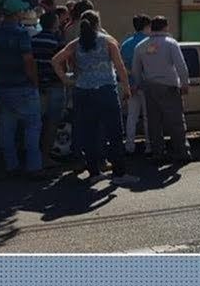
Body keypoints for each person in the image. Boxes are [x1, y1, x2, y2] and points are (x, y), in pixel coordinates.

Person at [52, 10, 137, 185]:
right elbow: (120, 67)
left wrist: (66, 79)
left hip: (83, 92)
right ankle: (119, 173)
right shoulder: (108, 42)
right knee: (114, 132)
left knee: (89, 133)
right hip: (106, 90)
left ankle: (94, 172)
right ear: (98, 23)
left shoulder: (76, 44)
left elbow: (55, 60)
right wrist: (127, 88)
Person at [0, 0, 45, 178]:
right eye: (22, 11)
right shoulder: (21, 34)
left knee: (7, 128)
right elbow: (28, 61)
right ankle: (33, 167)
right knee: (32, 126)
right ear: (17, 13)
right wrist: (34, 82)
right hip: (22, 86)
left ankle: (11, 166)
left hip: (1, 86)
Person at [132, 15, 191, 161]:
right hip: (169, 87)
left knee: (154, 122)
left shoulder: (141, 46)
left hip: (150, 87)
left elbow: (135, 69)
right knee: (176, 121)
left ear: (151, 28)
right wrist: (185, 83)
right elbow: (181, 65)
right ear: (166, 27)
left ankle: (157, 153)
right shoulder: (171, 43)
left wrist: (139, 84)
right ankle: (182, 152)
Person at [31, 11, 67, 165]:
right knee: (52, 123)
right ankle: (45, 156)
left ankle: (34, 155)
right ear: (54, 23)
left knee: (35, 123)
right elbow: (63, 64)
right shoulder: (57, 41)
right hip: (54, 85)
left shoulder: (32, 40)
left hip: (37, 86)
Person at [119, 15, 151, 154]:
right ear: (146, 26)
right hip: (146, 84)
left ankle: (129, 146)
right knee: (147, 117)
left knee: (131, 117)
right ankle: (149, 146)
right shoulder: (148, 43)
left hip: (131, 84)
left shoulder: (126, 43)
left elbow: (121, 65)